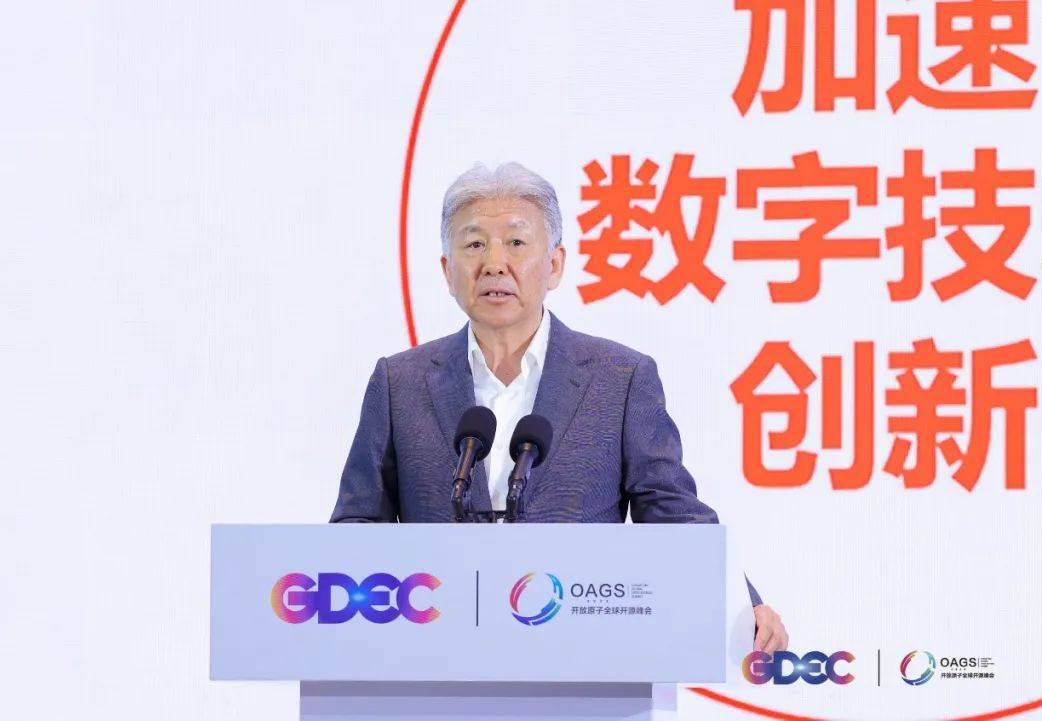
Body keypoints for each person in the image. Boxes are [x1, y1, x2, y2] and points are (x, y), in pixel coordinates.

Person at [330, 162, 789, 652]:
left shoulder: (620, 378)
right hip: (436, 655)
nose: (494, 263)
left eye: (516, 242)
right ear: (447, 271)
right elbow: (358, 526)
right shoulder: (399, 382)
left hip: (583, 655)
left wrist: (743, 606)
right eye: (474, 244)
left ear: (554, 264)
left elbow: (670, 512)